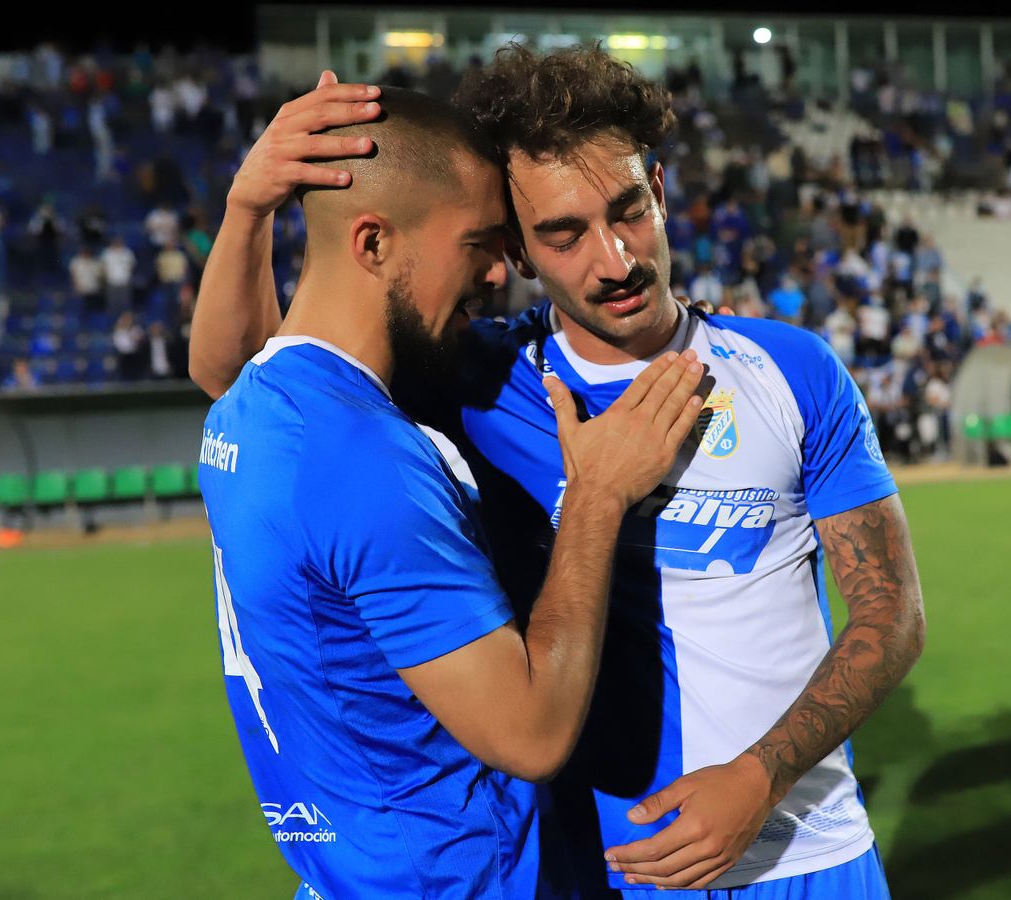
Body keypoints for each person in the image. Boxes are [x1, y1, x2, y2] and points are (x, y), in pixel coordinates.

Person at [192, 53, 926, 896]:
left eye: (629, 212)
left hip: (808, 850)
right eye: (564, 234)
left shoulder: (792, 370)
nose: (614, 260)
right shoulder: (478, 381)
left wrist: (765, 773)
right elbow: (253, 371)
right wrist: (248, 206)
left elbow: (892, 613)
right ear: (518, 250)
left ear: (657, 187)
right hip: (604, 866)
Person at [196, 83, 707, 899]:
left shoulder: (260, 408)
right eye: (477, 241)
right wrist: (597, 496)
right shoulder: (366, 464)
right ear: (372, 242)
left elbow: (221, 364)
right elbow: (532, 732)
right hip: (459, 879)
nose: (501, 272)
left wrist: (247, 206)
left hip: (350, 873)